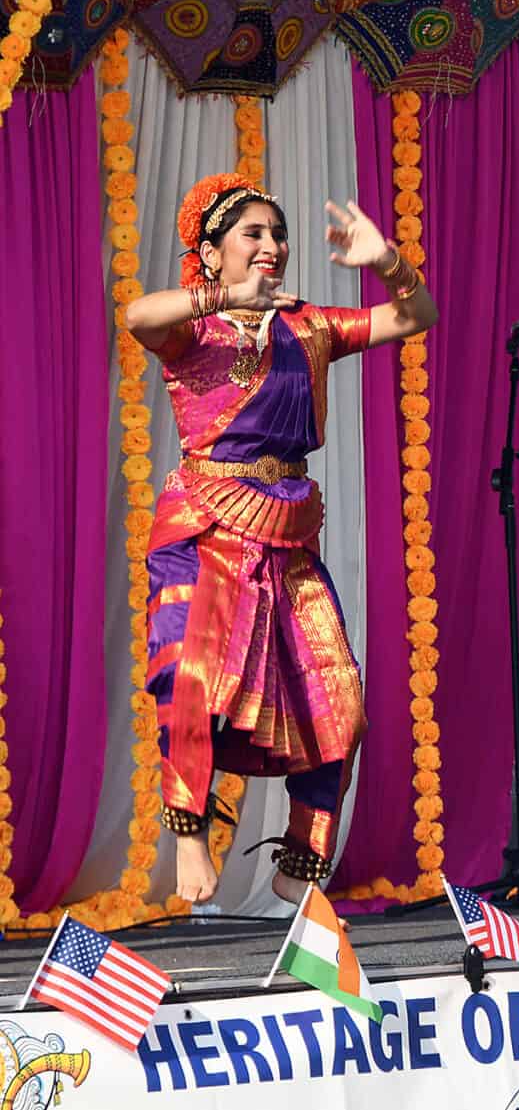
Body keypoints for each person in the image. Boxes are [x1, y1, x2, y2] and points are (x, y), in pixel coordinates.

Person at [125, 174, 439, 905]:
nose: (272, 246)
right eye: (252, 235)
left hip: (287, 531)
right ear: (211, 254)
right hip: (205, 524)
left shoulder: (310, 325)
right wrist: (219, 299)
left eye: (277, 234)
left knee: (340, 707)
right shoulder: (193, 326)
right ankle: (189, 835)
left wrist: (386, 260)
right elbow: (139, 314)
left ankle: (301, 866)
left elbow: (414, 315)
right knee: (191, 677)